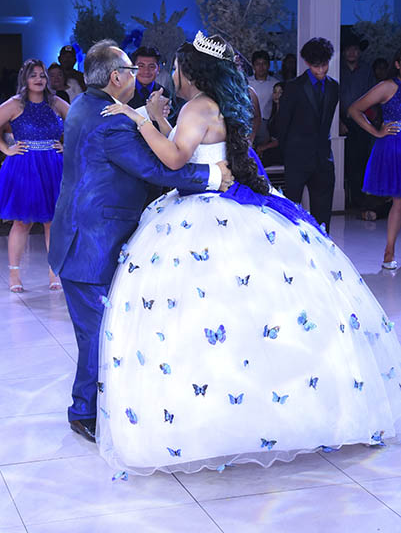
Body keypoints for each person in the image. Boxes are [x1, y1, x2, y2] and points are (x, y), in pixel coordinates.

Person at [96, 31, 401, 476]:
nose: (172, 74)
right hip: (225, 198)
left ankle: (209, 411)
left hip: (203, 211)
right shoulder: (214, 105)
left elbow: (177, 160)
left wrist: (136, 116)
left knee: (200, 311)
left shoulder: (198, 106)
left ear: (191, 71)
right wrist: (161, 120)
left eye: (177, 67)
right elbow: (198, 149)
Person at [48, 39, 234, 443]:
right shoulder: (109, 120)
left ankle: (106, 402)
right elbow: (155, 168)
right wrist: (212, 177)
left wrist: (145, 119)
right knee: (98, 332)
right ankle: (84, 412)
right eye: (132, 71)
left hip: (86, 233)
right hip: (91, 244)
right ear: (116, 77)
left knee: (108, 328)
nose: (138, 76)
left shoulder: (86, 104)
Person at [0, 59, 68, 292]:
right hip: (24, 166)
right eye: (34, 75)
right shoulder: (15, 104)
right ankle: (14, 276)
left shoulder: (56, 102)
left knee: (53, 222)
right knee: (22, 222)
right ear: (25, 79)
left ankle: (53, 273)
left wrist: (66, 147)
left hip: (53, 165)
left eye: (42, 75)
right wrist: (6, 148)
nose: (39, 79)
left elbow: (80, 125)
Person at [276, 37, 339, 232]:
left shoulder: (333, 87)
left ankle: (323, 253)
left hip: (323, 159)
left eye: (324, 65)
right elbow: (281, 125)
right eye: (316, 66)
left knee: (323, 216)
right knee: (291, 213)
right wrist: (289, 153)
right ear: (307, 63)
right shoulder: (293, 87)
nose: (321, 70)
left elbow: (325, 122)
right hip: (296, 158)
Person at [348, 48, 401, 269]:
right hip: (395, 145)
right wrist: (376, 131)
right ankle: (388, 254)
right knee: (399, 201)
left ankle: (389, 253)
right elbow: (354, 109)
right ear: (398, 64)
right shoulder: (388, 86)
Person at [340, 33, 376, 212]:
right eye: (349, 49)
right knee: (344, 162)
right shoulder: (338, 71)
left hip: (362, 121)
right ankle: (345, 200)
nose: (352, 52)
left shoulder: (366, 70)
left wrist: (370, 119)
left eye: (355, 49)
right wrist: (338, 121)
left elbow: (373, 97)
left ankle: (359, 201)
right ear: (344, 52)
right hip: (342, 123)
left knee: (361, 161)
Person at [248, 50, 279, 147]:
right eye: (258, 64)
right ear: (253, 66)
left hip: (266, 124)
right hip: (249, 122)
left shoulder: (275, 84)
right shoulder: (247, 82)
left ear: (269, 65)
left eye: (264, 64)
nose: (261, 67)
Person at [256, 81, 284, 167]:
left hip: (281, 150)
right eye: (275, 92)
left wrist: (263, 147)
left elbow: (280, 140)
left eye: (280, 93)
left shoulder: (285, 114)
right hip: (272, 148)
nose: (277, 95)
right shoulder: (274, 111)